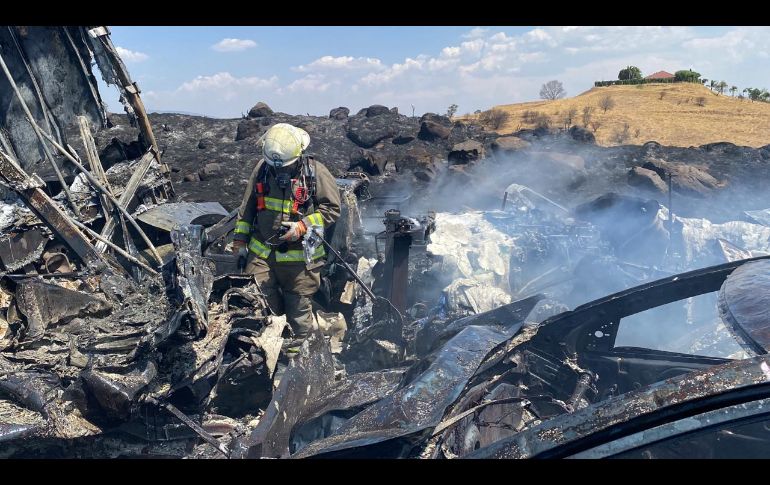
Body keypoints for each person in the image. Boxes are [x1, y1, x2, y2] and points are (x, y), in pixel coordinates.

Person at [232, 123, 341, 341]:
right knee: (259, 309)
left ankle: (298, 362)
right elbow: (247, 208)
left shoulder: (315, 173)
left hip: (299, 262)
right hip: (262, 255)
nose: (280, 170)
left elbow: (332, 209)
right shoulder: (262, 169)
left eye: (286, 166)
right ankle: (263, 362)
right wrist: (240, 243)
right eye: (276, 166)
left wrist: (303, 226)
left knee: (299, 316)